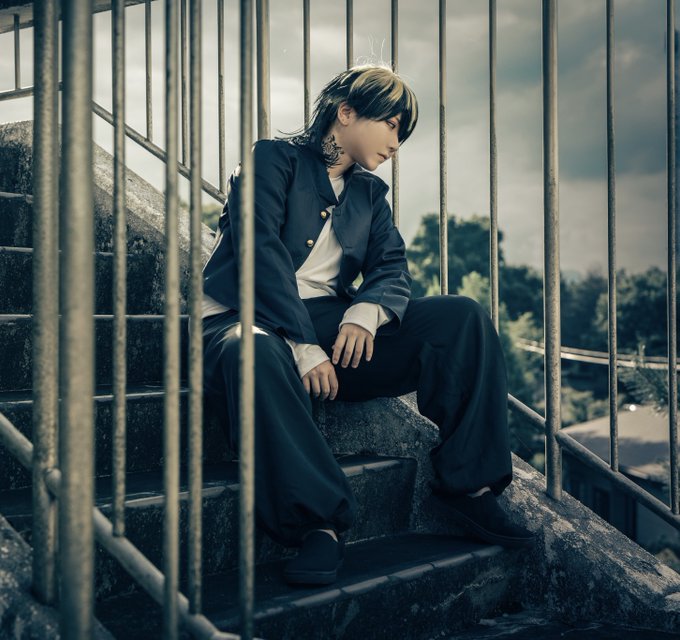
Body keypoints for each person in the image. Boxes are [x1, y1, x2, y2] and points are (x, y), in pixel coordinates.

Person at [202, 63, 536, 587]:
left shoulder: (369, 195)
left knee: (461, 318)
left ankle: (469, 489)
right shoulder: (272, 160)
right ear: (346, 112)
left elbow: (392, 267)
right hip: (243, 320)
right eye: (392, 126)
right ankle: (318, 525)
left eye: (403, 133)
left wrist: (364, 314)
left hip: (327, 325)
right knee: (255, 350)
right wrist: (302, 344)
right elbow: (259, 254)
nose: (397, 144)